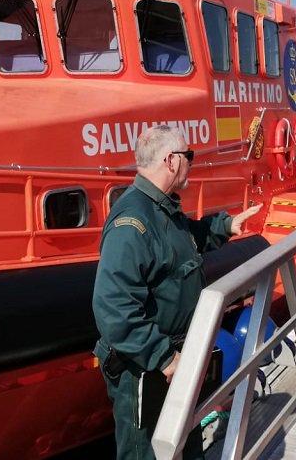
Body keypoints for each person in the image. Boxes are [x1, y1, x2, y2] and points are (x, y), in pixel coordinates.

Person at [92, 125, 262, 460]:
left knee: (185, 440)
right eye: (189, 156)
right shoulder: (133, 222)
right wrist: (165, 358)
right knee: (144, 452)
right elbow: (113, 307)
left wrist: (225, 226)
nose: (191, 162)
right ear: (171, 161)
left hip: (173, 357)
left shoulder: (161, 208)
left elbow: (184, 241)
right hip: (144, 368)